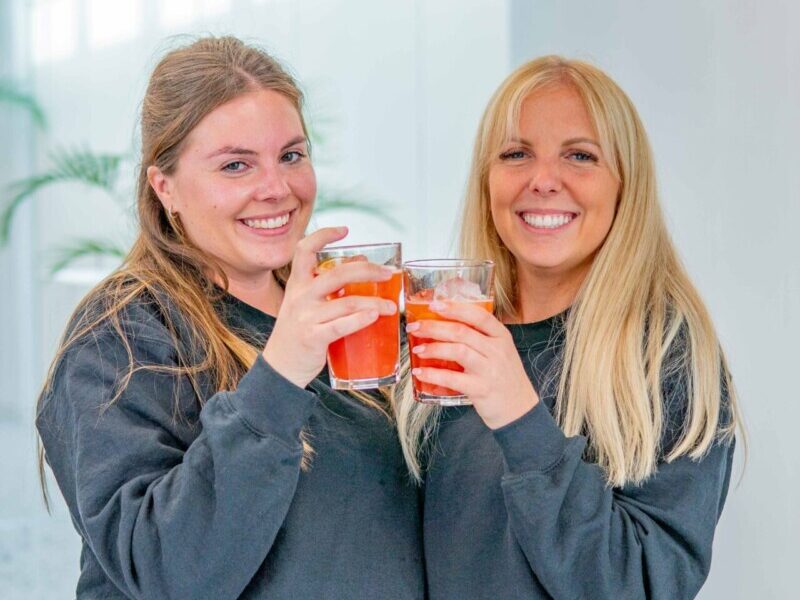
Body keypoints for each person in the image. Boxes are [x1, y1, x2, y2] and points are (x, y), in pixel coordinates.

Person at [36, 36, 423, 599]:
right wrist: (282, 372)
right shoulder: (120, 336)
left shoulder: (342, 311)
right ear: (164, 186)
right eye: (236, 165)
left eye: (291, 155)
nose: (277, 189)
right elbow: (166, 572)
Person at [395, 55, 743, 599]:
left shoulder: (667, 354)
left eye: (579, 156)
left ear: (625, 183)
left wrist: (519, 418)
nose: (543, 181)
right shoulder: (437, 335)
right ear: (487, 181)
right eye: (516, 154)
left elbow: (644, 586)